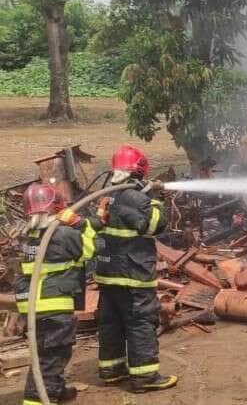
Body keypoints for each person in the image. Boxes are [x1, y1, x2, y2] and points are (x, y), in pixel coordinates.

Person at [94, 145, 177, 392]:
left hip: (108, 275)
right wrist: (156, 199)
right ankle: (145, 377)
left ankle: (111, 370)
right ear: (141, 169)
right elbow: (155, 226)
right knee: (140, 323)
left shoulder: (109, 194)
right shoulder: (136, 198)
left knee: (112, 323)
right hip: (132, 275)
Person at [16, 183, 96, 404]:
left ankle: (56, 390)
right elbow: (90, 250)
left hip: (33, 303)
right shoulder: (62, 233)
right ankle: (39, 399)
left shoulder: (30, 234)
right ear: (58, 207)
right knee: (54, 354)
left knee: (45, 350)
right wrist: (82, 224)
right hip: (53, 302)